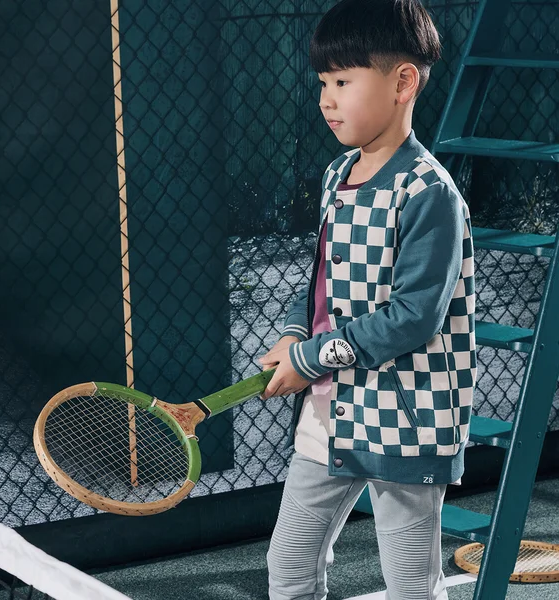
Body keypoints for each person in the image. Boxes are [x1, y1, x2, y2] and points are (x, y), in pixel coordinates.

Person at [258, 0, 478, 599]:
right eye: (323, 82)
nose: (326, 99)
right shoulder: (337, 174)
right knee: (289, 566)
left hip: (405, 417)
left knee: (410, 585)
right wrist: (296, 334)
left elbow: (412, 318)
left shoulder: (429, 193)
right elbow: (323, 282)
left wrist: (310, 359)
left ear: (403, 83)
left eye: (343, 82)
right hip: (328, 414)